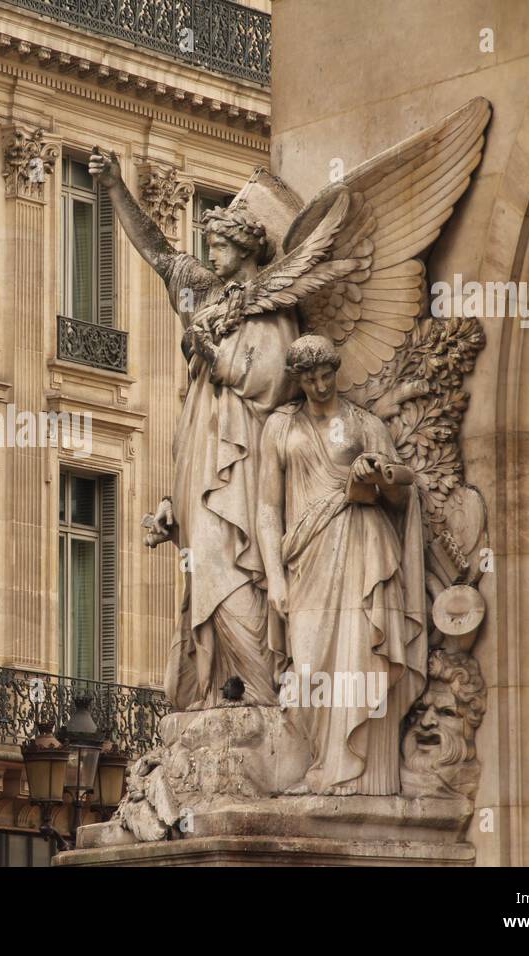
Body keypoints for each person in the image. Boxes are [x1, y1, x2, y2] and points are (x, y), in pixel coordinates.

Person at [88, 148, 298, 710]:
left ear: (248, 248)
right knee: (204, 567)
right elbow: (159, 252)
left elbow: (276, 381)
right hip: (201, 456)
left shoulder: (271, 308)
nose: (212, 254)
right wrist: (115, 189)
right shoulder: (203, 295)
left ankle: (260, 692)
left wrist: (219, 357)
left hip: (244, 460)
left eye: (222, 246)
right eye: (210, 246)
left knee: (224, 566)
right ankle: (218, 690)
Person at [256, 335, 427, 795]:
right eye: (308, 378)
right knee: (309, 664)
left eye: (325, 374)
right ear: (298, 380)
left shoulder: (364, 424)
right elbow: (268, 509)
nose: (319, 385)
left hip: (363, 548)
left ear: (336, 369)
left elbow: (401, 495)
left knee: (360, 654)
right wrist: (274, 576)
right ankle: (322, 763)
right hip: (306, 555)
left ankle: (357, 774)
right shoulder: (279, 427)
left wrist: (378, 475)